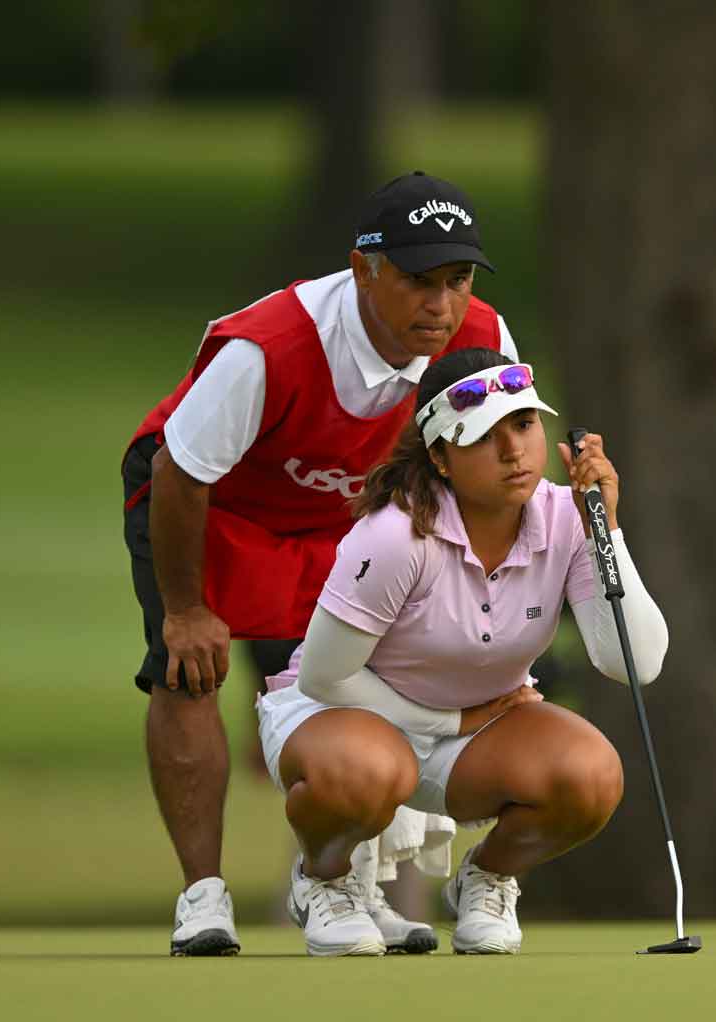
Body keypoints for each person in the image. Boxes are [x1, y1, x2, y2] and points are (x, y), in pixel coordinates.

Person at [121, 172, 520, 956]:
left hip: (344, 517)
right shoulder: (272, 346)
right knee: (187, 669)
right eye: (417, 280)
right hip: (210, 501)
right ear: (364, 268)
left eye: (457, 279)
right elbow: (181, 471)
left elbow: (482, 467)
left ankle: (342, 887)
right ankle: (203, 900)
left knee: (384, 676)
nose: (440, 304)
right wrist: (186, 610)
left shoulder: (481, 340)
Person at [256, 350, 670, 955]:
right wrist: (451, 720)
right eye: (483, 435)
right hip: (339, 715)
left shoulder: (567, 518)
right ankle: (325, 881)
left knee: (590, 776)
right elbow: (323, 675)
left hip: (473, 734)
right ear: (441, 459)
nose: (513, 451)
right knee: (371, 771)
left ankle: (487, 879)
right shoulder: (398, 534)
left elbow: (634, 660)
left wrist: (604, 529)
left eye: (524, 425)